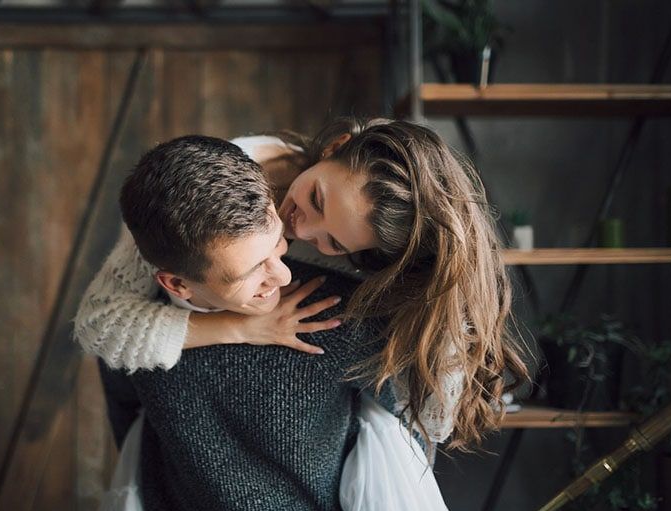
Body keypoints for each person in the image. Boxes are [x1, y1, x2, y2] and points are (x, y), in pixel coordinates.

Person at [75, 117, 529, 452]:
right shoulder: (211, 192)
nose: (303, 230)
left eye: (333, 242)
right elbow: (99, 322)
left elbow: (435, 419)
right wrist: (242, 327)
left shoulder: (375, 247)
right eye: (316, 198)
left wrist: (447, 297)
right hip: (152, 388)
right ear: (335, 146)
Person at [82, 135, 456, 511]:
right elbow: (118, 390)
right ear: (177, 285)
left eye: (281, 247)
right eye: (316, 200)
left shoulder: (338, 316)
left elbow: (412, 433)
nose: (285, 274)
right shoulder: (137, 339)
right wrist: (241, 327)